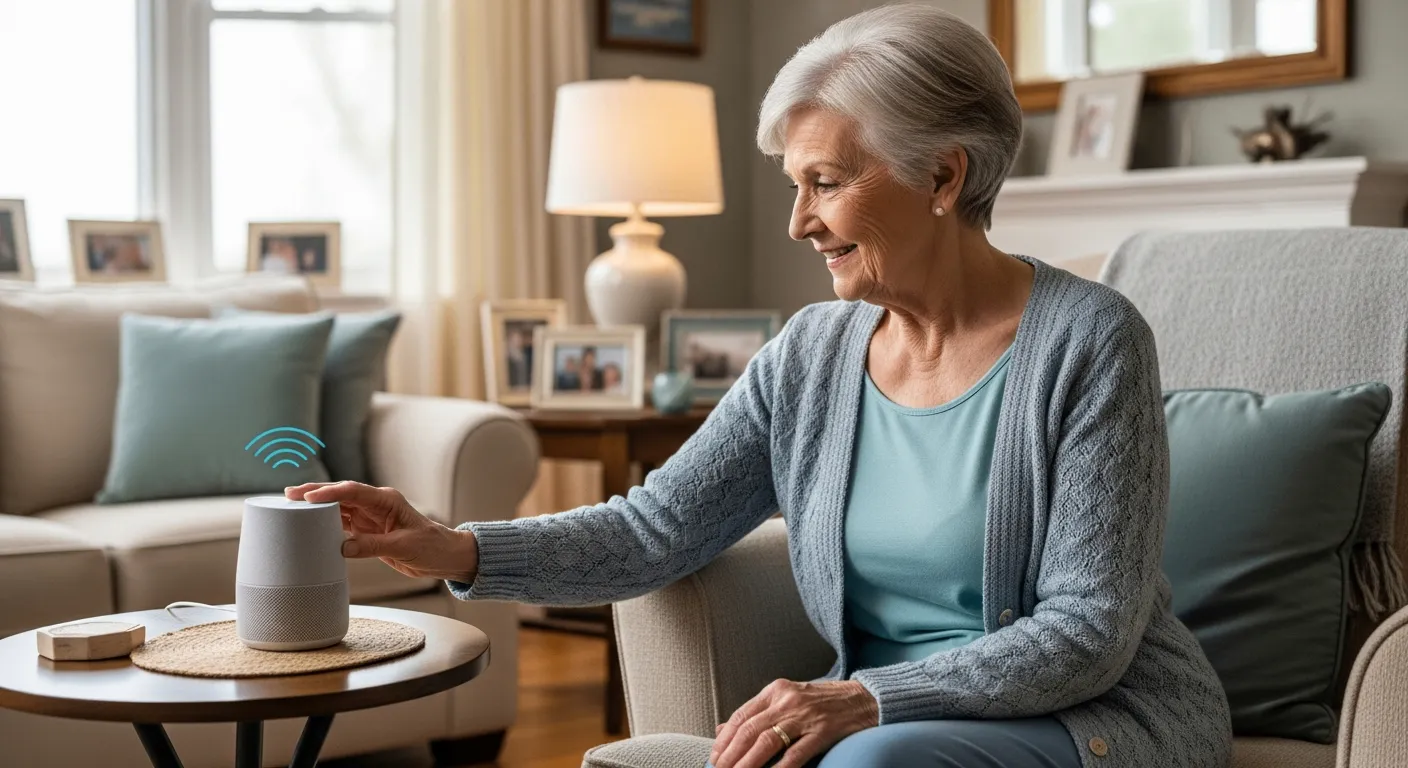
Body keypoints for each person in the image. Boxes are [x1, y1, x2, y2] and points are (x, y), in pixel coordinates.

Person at [285, 5, 1232, 767]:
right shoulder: (812, 354)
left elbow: (1087, 633)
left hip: (1093, 720)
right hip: (892, 725)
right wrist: (450, 544)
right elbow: (658, 528)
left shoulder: (1090, 339)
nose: (798, 223)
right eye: (794, 184)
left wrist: (863, 698)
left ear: (943, 176)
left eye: (824, 182)